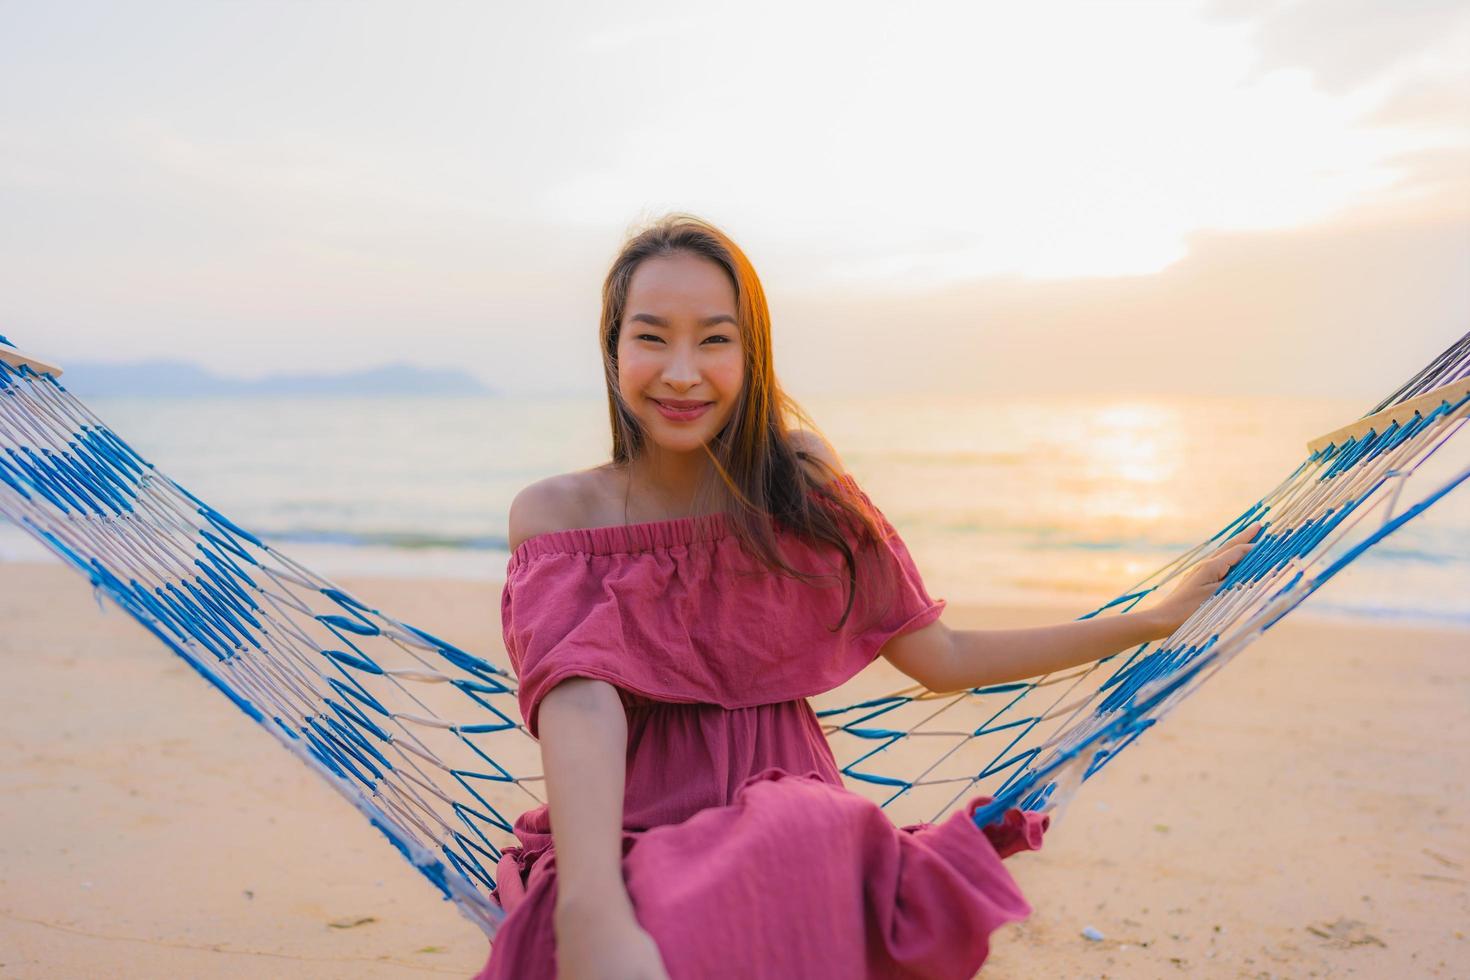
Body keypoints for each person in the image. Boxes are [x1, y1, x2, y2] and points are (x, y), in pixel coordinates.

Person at [475, 214, 1256, 980]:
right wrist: (590, 905)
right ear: (613, 351)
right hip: (621, 830)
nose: (682, 371)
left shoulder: (798, 482)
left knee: (794, 841)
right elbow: (580, 703)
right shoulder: (556, 516)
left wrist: (1151, 621)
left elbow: (940, 656)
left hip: (793, 818)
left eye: (715, 339)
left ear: (752, 355)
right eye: (651, 336)